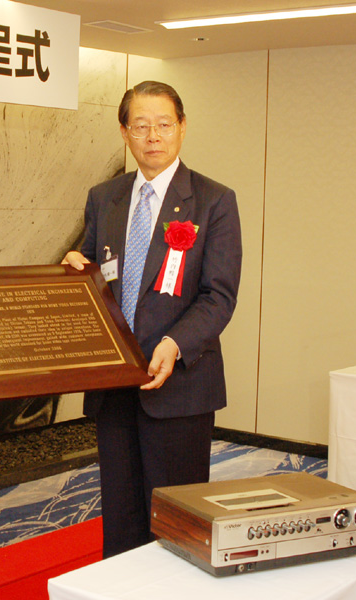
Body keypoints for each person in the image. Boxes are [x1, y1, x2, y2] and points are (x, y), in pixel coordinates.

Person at [63, 81, 242, 558]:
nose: (153, 136)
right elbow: (91, 268)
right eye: (140, 126)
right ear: (124, 132)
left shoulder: (213, 200)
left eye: (163, 124)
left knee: (176, 521)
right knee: (121, 516)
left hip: (179, 384)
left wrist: (175, 344)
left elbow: (219, 296)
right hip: (115, 385)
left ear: (182, 127)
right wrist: (72, 268)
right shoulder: (105, 197)